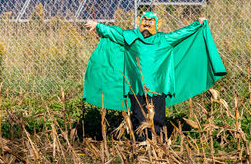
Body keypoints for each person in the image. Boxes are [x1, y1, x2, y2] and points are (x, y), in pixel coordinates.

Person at [83, 12, 226, 142]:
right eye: (144, 21)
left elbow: (181, 33)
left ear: (158, 24)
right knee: (138, 117)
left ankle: (159, 143)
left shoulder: (164, 39)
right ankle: (141, 143)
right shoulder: (130, 38)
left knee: (158, 118)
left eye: (151, 21)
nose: (147, 24)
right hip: (137, 88)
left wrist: (197, 24)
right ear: (139, 21)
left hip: (157, 88)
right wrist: (97, 26)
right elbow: (113, 32)